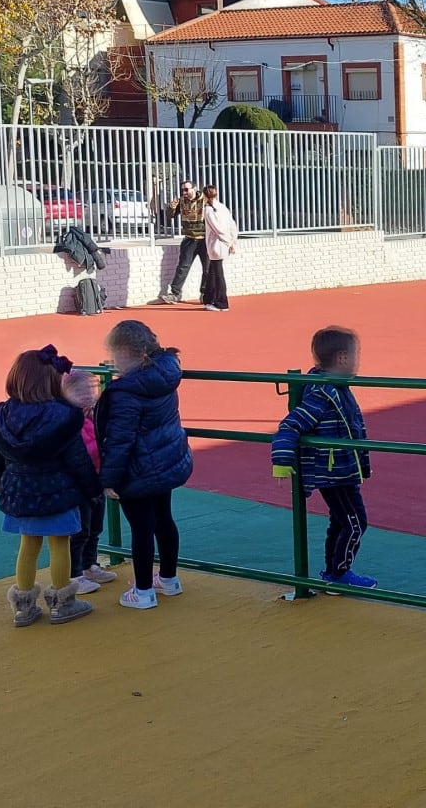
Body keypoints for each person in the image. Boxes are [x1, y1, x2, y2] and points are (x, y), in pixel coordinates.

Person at [0, 346, 100, 626]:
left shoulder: (0, 416)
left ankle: (23, 606)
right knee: (59, 543)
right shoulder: (65, 415)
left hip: (19, 491)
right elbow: (78, 459)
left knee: (28, 545)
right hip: (57, 491)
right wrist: (93, 490)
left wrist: (2, 486)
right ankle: (62, 603)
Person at [98, 321, 193, 609]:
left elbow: (119, 439)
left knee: (141, 527)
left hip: (136, 469)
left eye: (115, 355)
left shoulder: (126, 393)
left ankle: (142, 592)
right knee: (163, 519)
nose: (113, 362)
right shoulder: (164, 374)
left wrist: (109, 478)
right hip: (164, 461)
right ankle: (168, 578)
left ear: (128, 352)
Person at [272, 327, 376, 588]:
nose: (357, 360)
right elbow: (291, 425)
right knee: (355, 523)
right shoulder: (322, 392)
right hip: (334, 473)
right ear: (342, 358)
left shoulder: (336, 387)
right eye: (356, 354)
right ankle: (339, 573)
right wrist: (282, 461)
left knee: (341, 521)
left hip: (343, 469)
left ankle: (333, 572)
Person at [63, 370, 117, 595]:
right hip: (79, 485)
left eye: (92, 395)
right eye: (83, 396)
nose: (88, 400)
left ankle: (89, 565)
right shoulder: (69, 419)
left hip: (96, 480)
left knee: (95, 526)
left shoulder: (94, 416)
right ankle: (75, 573)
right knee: (80, 530)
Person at [160, 180, 208, 305]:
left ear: (195, 188)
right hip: (189, 238)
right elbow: (170, 215)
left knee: (207, 268)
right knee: (182, 267)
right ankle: (175, 294)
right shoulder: (181, 201)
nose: (184, 192)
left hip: (205, 239)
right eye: (183, 190)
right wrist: (171, 207)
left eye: (187, 189)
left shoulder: (205, 200)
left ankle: (205, 293)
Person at [201, 184, 239, 312]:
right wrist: (233, 241)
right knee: (213, 271)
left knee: (218, 273)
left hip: (216, 245)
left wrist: (229, 242)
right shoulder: (223, 208)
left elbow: (218, 229)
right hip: (222, 244)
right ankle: (208, 298)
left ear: (205, 196)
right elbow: (232, 225)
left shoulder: (208, 210)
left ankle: (222, 302)